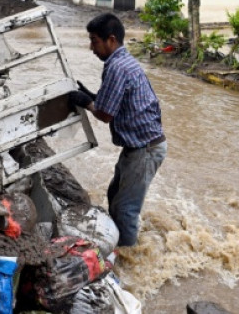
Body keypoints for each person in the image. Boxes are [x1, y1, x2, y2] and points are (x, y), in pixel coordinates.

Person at [68, 13, 167, 247]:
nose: (91, 48)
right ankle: (123, 242)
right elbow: (112, 103)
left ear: (111, 40)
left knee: (125, 209)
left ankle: (129, 257)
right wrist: (91, 96)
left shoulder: (117, 68)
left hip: (145, 149)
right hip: (139, 146)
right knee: (114, 197)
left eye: (94, 41)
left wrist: (84, 101)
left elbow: (104, 114)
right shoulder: (122, 62)